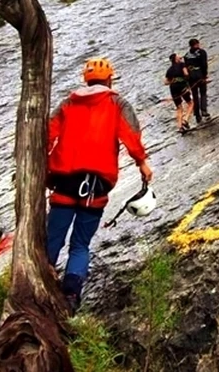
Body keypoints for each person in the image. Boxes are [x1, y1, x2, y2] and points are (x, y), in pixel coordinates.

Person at [45, 57, 153, 312]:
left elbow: (47, 135)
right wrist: (142, 164)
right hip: (97, 184)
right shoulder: (117, 103)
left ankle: (44, 285)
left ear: (86, 78)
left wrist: (44, 169)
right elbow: (131, 136)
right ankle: (71, 296)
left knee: (53, 239)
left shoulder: (67, 104)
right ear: (109, 78)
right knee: (80, 244)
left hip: (64, 180)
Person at [164, 53, 194, 133]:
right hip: (181, 86)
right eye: (178, 57)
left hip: (173, 88)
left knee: (179, 107)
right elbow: (186, 74)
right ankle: (185, 120)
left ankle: (180, 127)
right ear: (176, 59)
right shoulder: (181, 64)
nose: (180, 57)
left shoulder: (169, 70)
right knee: (190, 103)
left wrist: (173, 81)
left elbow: (166, 82)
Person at [184, 38, 210, 123]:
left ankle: (197, 116)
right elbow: (204, 64)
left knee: (195, 96)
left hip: (191, 77)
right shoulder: (201, 52)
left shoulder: (186, 55)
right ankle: (204, 111)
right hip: (199, 74)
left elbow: (186, 68)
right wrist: (205, 75)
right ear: (197, 44)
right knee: (203, 92)